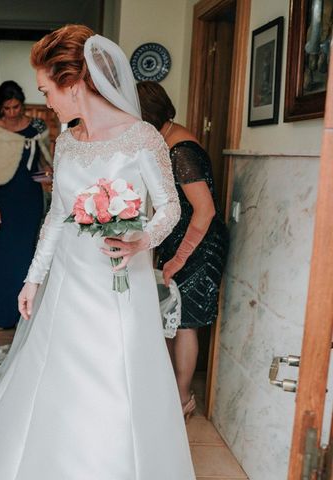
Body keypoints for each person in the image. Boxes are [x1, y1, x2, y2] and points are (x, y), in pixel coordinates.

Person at [0, 26, 195, 479]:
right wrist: (33, 279)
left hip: (120, 283)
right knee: (57, 376)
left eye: (48, 89)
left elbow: (169, 207)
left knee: (116, 377)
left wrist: (139, 240)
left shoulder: (142, 137)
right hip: (69, 281)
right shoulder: (67, 139)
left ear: (73, 84)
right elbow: (56, 217)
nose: (46, 100)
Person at [137, 80, 229, 421]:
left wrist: (179, 257)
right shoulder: (171, 139)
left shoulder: (181, 151)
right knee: (171, 320)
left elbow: (204, 211)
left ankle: (182, 397)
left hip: (199, 246)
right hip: (184, 241)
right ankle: (170, 390)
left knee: (185, 322)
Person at [0, 80, 52, 329]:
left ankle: (23, 318)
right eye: (6, 108)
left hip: (29, 198)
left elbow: (41, 165)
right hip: (4, 199)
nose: (11, 112)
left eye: (16, 106)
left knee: (27, 256)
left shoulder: (37, 127)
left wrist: (47, 178)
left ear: (22, 103)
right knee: (2, 256)